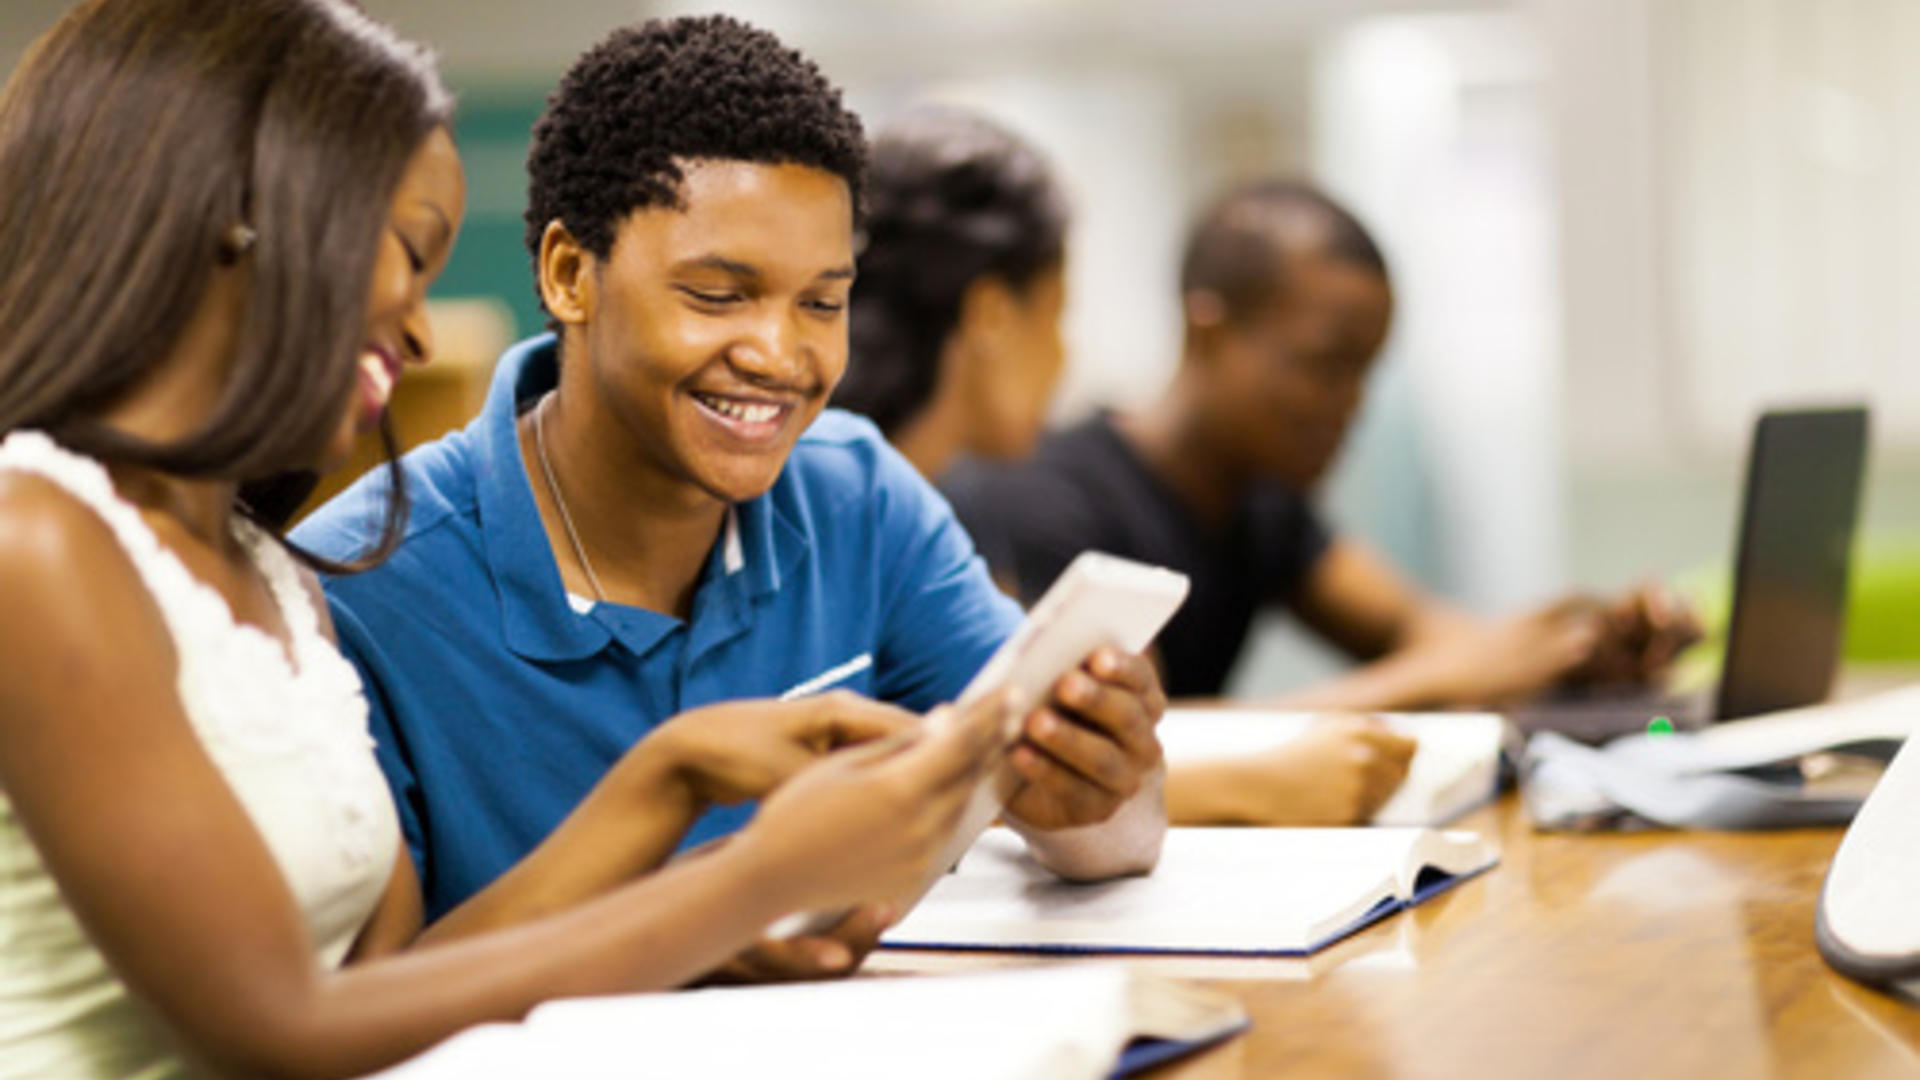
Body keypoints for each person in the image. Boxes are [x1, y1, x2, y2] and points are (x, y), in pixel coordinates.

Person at [0, 3, 1020, 1077]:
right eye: (405, 253)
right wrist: (748, 882)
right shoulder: (40, 548)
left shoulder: (269, 570)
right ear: (233, 233)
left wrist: (667, 784)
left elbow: (395, 987)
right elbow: (282, 1032)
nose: (420, 328)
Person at [292, 14, 1169, 972]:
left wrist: (1095, 795)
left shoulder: (857, 494)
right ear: (569, 273)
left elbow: (1115, 835)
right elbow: (360, 1013)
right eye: (717, 295)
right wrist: (691, 925)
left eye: (823, 302)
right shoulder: (357, 585)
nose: (779, 356)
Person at [834, 109, 1413, 826]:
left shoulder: (913, 525)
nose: (1065, 358)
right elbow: (962, 791)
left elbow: (1011, 758)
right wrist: (1250, 784)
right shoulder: (894, 504)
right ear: (989, 318)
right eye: (1056, 317)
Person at [943, 178, 1699, 728]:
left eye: (1365, 371)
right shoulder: (1048, 499)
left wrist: (1579, 646)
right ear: (1209, 333)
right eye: (1323, 365)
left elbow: (1418, 630)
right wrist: (1441, 679)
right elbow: (1135, 742)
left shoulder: (1260, 499)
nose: (1351, 403)